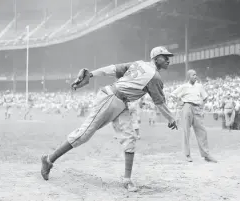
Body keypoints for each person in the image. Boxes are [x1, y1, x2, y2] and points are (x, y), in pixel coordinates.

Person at [40, 46, 178, 192]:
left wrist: (91, 74)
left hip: (121, 102)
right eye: (165, 56)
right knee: (83, 135)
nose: (168, 59)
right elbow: (160, 102)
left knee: (130, 138)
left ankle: (127, 180)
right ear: (156, 58)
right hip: (111, 98)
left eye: (168, 57)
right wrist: (170, 118)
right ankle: (48, 160)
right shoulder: (154, 76)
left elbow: (113, 69)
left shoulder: (138, 64)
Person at [170, 69, 217, 163]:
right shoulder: (184, 86)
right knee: (186, 132)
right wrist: (181, 103)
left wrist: (201, 105)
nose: (195, 76)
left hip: (197, 108)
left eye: (196, 75)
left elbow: (205, 97)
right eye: (193, 75)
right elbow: (173, 94)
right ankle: (187, 155)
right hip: (187, 107)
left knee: (202, 131)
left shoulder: (199, 86)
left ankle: (206, 155)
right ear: (188, 77)